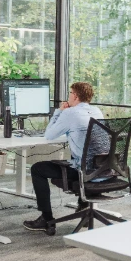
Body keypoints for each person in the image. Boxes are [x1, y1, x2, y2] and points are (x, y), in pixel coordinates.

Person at [23, 82, 104, 234]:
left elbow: (49, 135)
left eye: (70, 93)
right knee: (77, 156)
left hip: (83, 173)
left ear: (75, 96)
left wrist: (59, 111)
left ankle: (46, 219)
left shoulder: (70, 113)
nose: (68, 96)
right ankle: (84, 205)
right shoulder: (96, 111)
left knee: (37, 169)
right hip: (103, 170)